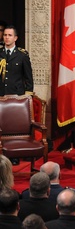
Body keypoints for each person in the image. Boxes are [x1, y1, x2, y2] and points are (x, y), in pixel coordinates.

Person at [0, 25, 34, 166]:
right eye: (5, 35)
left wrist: (27, 96)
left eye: (9, 35)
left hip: (16, 96)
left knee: (12, 126)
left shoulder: (22, 55)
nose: (6, 37)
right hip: (1, 96)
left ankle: (14, 155)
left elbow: (28, 78)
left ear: (15, 38)